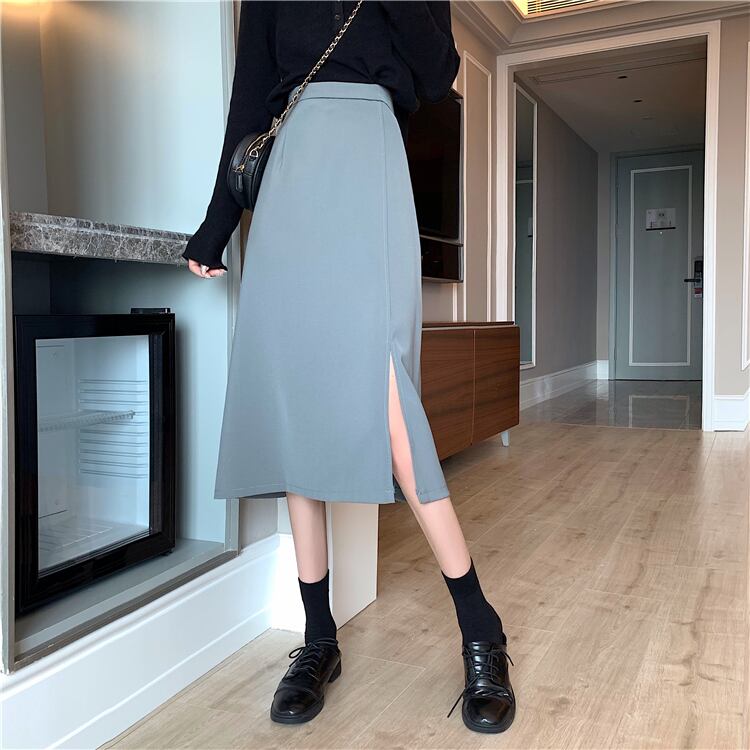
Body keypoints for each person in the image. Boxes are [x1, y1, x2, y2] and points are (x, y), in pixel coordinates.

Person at [182, 0, 515, 735]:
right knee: (297, 403)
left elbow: (436, 74)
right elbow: (249, 101)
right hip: (289, 179)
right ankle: (318, 637)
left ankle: (479, 625)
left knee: (387, 403)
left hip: (369, 167)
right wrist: (216, 224)